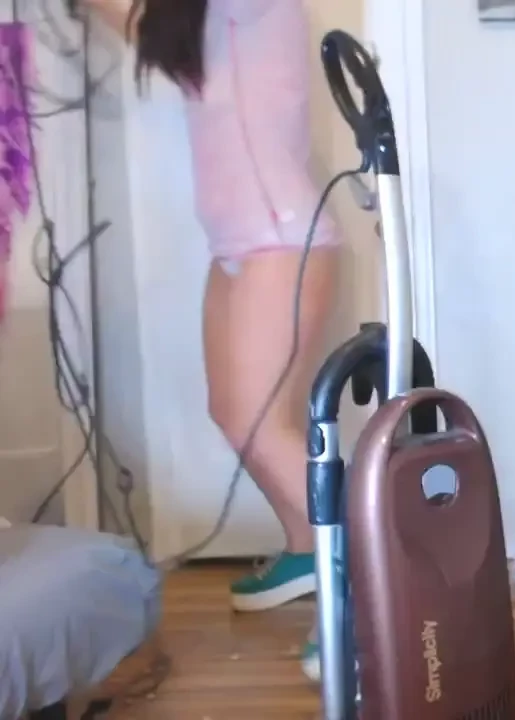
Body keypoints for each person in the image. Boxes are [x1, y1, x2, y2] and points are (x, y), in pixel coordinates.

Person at [82, 0, 338, 681]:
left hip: (280, 236)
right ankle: (305, 548)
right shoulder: (207, 22)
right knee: (232, 412)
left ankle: (357, 598)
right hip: (237, 241)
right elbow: (140, 23)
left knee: (263, 426)